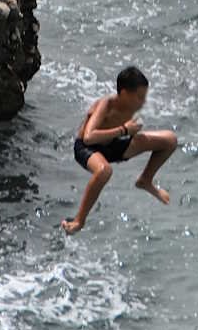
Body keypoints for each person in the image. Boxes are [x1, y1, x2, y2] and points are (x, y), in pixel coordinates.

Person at [62, 66, 178, 234]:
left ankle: (145, 180)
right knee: (104, 171)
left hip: (114, 145)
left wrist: (128, 133)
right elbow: (89, 136)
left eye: (144, 97)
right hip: (87, 148)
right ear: (123, 93)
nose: (143, 102)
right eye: (139, 97)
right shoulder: (106, 104)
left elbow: (123, 133)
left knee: (170, 140)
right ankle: (79, 221)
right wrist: (124, 130)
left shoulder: (131, 106)